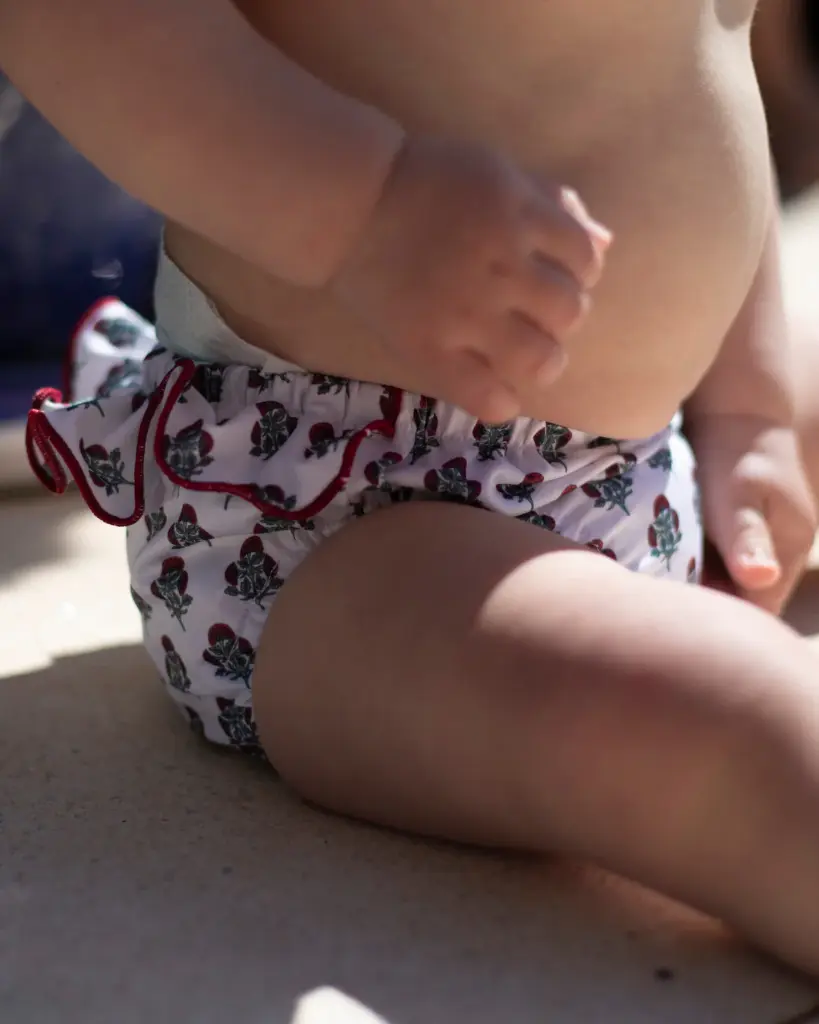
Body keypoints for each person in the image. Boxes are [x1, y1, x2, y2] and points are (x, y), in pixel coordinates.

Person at [6, 0, 819, 975]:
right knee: (742, 722)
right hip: (342, 511)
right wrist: (364, 208)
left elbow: (693, 53)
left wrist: (752, 404)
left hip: (654, 450)